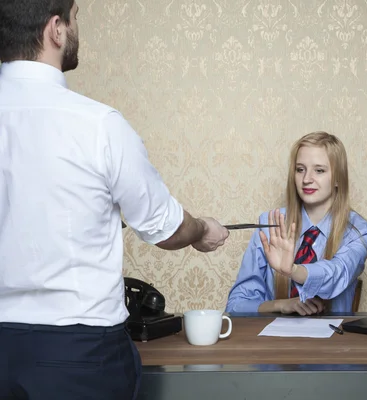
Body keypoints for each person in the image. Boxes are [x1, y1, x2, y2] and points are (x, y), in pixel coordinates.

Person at [0, 1, 229, 399]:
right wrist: (201, 229)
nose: (74, 29)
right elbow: (165, 227)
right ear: (55, 29)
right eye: (74, 19)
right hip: (78, 355)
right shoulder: (99, 125)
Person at [226, 131, 367, 315]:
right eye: (300, 169)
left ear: (338, 178)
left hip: (333, 341)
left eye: (319, 170)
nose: (306, 179)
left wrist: (293, 270)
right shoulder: (270, 224)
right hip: (274, 341)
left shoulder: (360, 232)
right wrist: (281, 305)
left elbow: (336, 273)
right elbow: (236, 305)